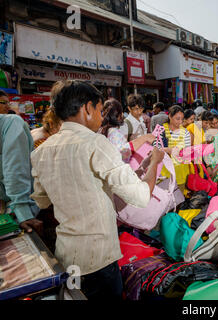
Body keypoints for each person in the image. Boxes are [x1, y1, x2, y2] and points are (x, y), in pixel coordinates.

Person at [30, 80, 164, 300]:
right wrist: (155, 163)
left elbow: (42, 201)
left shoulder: (41, 152)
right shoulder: (95, 143)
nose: (102, 117)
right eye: (100, 110)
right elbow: (141, 197)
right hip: (98, 261)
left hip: (65, 258)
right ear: (87, 108)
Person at [1, 110, 41, 235]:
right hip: (16, 210)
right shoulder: (12, 123)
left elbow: (15, 168)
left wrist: (21, 210)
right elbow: (14, 169)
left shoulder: (10, 124)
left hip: (17, 209)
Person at [99, 98, 156, 163]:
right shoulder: (118, 129)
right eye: (136, 109)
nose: (139, 112)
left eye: (141, 109)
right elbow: (122, 152)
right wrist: (143, 139)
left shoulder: (103, 130)